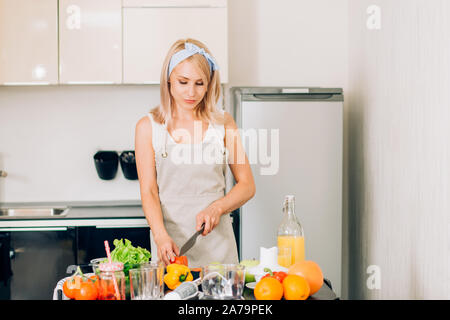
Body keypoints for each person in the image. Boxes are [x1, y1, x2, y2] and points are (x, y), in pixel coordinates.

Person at [135, 38, 255, 267]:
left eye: (200, 83)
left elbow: (247, 184)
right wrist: (160, 237)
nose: (191, 92)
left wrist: (217, 207)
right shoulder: (148, 127)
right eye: (183, 82)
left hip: (219, 250)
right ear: (168, 79)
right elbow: (149, 191)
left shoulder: (223, 123)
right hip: (169, 249)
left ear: (210, 84)